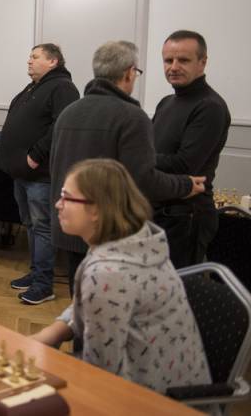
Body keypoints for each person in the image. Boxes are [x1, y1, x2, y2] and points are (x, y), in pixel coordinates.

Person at [31, 159, 211, 393]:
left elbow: (101, 375)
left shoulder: (107, 273)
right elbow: (94, 304)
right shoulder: (135, 242)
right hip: (166, 381)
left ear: (96, 209)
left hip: (151, 400)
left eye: (66, 197)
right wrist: (54, 331)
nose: (57, 204)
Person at [50, 41, 205, 295]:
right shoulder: (131, 116)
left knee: (81, 303)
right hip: (109, 233)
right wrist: (185, 184)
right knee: (109, 307)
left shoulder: (69, 112)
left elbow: (56, 170)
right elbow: (143, 180)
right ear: (129, 73)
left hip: (73, 227)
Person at [0, 44, 79, 304]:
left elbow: (61, 125)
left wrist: (35, 155)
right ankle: (35, 274)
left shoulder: (62, 87)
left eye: (35, 57)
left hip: (40, 173)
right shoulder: (34, 87)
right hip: (22, 172)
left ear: (53, 61)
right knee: (31, 225)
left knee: (42, 227)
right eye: (30, 57)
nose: (29, 61)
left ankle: (44, 284)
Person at [152, 30, 231, 268]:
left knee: (179, 288)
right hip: (159, 210)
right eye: (168, 60)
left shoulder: (210, 107)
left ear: (202, 62)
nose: (174, 67)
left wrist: (135, 158)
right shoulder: (166, 102)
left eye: (183, 60)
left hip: (186, 216)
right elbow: (151, 150)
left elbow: (184, 164)